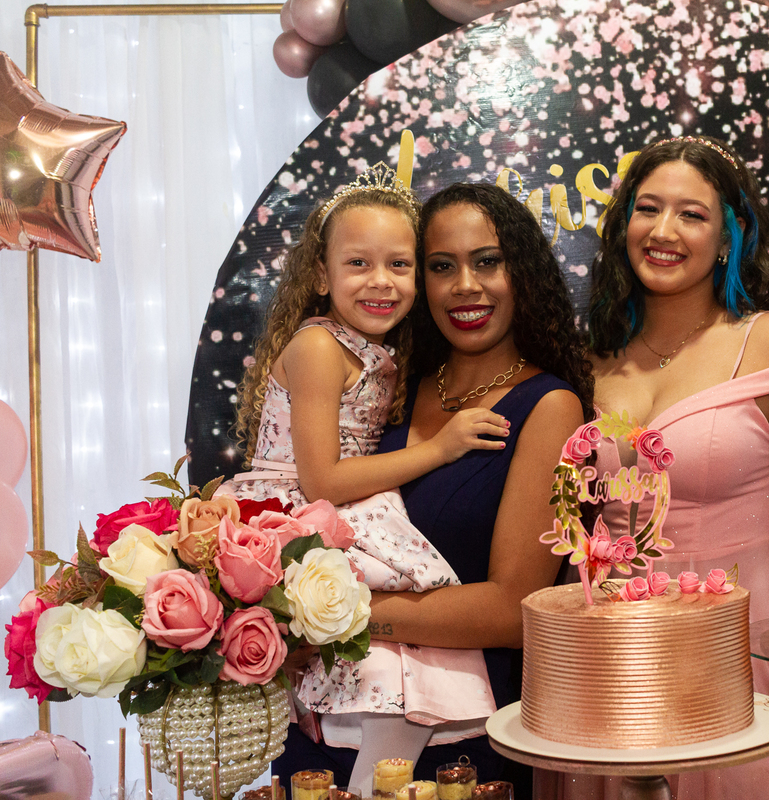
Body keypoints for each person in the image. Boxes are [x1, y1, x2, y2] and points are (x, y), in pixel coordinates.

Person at [222, 165, 510, 791]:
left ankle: (373, 780)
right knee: (383, 652)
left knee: (398, 659)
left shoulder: (379, 353)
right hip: (306, 512)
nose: (381, 281)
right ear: (320, 276)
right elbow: (323, 478)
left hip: (349, 506)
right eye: (358, 263)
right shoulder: (318, 348)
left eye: (399, 265)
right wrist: (440, 448)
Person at [582, 135, 769, 799]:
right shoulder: (593, 358)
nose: (663, 231)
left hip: (741, 652)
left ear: (727, 236)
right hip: (616, 655)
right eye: (647, 208)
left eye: (691, 214)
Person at [353, 182, 590, 788]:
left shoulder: (550, 407)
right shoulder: (389, 388)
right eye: (441, 266)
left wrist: (335, 617)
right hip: (329, 722)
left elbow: (514, 610)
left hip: (464, 745)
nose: (465, 285)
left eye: (487, 262)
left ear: (523, 274)